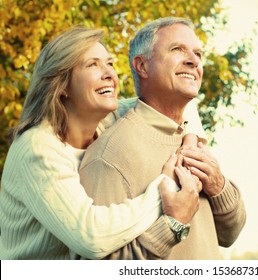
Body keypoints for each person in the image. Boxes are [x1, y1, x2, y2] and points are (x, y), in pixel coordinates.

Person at [0, 26, 205, 260]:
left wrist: (189, 144)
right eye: (92, 65)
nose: (109, 74)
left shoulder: (107, 122)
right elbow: (90, 238)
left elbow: (181, 103)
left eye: (109, 64)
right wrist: (164, 189)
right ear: (61, 85)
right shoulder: (38, 147)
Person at [78, 17, 246, 260]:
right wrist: (173, 225)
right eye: (177, 49)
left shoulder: (193, 141)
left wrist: (219, 187)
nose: (194, 60)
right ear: (142, 67)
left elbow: (230, 234)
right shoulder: (110, 154)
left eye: (198, 53)